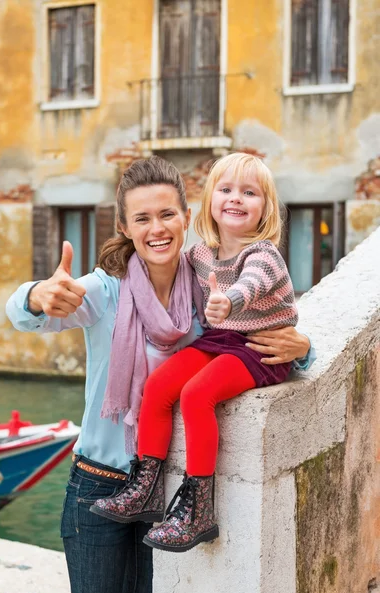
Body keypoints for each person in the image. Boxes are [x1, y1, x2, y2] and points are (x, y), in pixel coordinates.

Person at [6, 156, 314, 593]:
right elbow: (24, 317)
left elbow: (256, 332)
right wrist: (35, 296)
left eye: (168, 214)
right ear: (126, 226)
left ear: (187, 218)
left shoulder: (206, 284)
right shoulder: (105, 290)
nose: (157, 228)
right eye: (143, 218)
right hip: (99, 484)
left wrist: (303, 349)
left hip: (166, 489)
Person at [90, 153, 302, 554]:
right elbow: (163, 262)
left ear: (265, 207)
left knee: (196, 394)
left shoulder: (263, 254)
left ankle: (199, 510)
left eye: (249, 192)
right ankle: (146, 487)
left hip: (258, 347)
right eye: (225, 190)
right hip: (222, 340)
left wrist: (230, 300)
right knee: (160, 385)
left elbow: (252, 286)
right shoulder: (202, 255)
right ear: (209, 205)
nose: (235, 199)